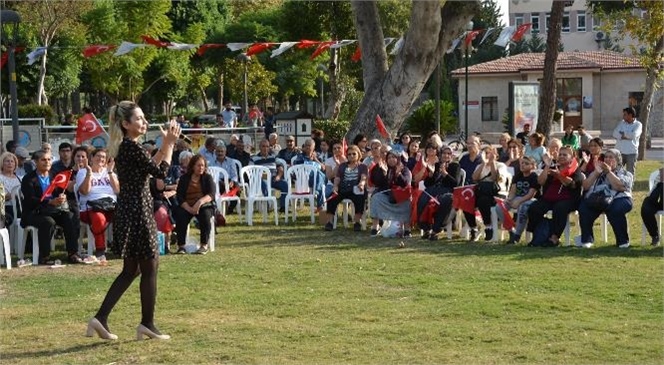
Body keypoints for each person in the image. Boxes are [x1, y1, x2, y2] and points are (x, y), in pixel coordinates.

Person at [86, 101, 180, 341]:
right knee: (149, 267)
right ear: (126, 124)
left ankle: (101, 318)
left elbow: (149, 168)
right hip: (137, 211)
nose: (144, 122)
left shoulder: (128, 147)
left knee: (132, 269)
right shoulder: (130, 147)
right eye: (138, 119)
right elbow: (161, 173)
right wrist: (169, 144)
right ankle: (147, 324)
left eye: (143, 117)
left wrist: (163, 148)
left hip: (131, 210)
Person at [20, 150, 79, 264]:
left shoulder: (54, 175)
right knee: (48, 222)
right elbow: (30, 199)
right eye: (43, 160)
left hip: (54, 210)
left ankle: (73, 253)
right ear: (35, 162)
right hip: (34, 212)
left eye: (49, 159)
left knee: (69, 217)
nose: (47, 162)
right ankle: (44, 256)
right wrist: (50, 202)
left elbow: (59, 192)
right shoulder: (28, 179)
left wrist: (62, 197)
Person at [526, 146, 584, 247]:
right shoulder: (553, 167)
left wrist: (559, 176)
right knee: (534, 208)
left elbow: (573, 184)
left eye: (565, 155)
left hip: (568, 199)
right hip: (549, 198)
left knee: (560, 208)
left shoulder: (575, 170)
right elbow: (540, 182)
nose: (561, 156)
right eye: (560, 154)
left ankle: (554, 238)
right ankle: (539, 234)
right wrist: (547, 167)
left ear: (571, 157)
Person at [577, 149, 633, 248]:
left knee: (615, 209)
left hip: (620, 198)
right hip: (599, 199)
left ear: (618, 160)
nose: (607, 159)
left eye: (611, 157)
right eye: (606, 157)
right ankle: (587, 239)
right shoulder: (598, 172)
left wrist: (608, 172)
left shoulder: (625, 173)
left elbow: (619, 187)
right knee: (584, 208)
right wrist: (595, 173)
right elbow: (585, 186)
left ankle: (623, 241)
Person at [76, 148, 120, 260]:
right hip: (91, 207)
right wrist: (89, 173)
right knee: (99, 218)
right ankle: (100, 249)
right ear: (91, 158)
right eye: (98, 156)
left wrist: (110, 172)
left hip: (110, 205)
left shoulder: (109, 172)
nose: (101, 159)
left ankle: (120, 247)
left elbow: (117, 190)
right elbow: (85, 191)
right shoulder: (83, 172)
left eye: (104, 157)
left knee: (125, 215)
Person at [174, 154, 216, 255]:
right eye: (198, 165)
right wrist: (189, 208)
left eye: (202, 165)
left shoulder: (207, 178)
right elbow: (179, 196)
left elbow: (211, 194)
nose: (201, 168)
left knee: (205, 216)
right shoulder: (184, 178)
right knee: (181, 216)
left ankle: (203, 245)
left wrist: (200, 202)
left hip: (203, 205)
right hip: (187, 205)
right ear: (193, 166)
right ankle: (181, 246)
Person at [416, 145, 459, 240]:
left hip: (447, 191)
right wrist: (430, 175)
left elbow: (456, 183)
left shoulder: (455, 166)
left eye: (448, 153)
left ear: (451, 156)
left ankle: (435, 230)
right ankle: (426, 229)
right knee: (423, 198)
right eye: (444, 153)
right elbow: (428, 184)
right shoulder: (437, 165)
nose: (446, 155)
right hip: (434, 190)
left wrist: (445, 174)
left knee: (445, 201)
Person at [323, 145, 368, 232]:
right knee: (332, 197)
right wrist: (335, 186)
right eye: (349, 154)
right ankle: (329, 222)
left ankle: (357, 222)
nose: (351, 156)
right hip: (343, 187)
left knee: (360, 198)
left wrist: (362, 184)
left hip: (356, 188)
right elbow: (337, 178)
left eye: (354, 154)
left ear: (358, 154)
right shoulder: (342, 166)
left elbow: (363, 177)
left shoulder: (362, 166)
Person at [369, 147, 412, 237]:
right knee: (375, 198)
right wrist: (381, 171)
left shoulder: (405, 169)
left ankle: (407, 229)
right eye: (389, 158)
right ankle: (375, 227)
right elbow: (378, 183)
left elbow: (405, 184)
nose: (391, 159)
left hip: (401, 196)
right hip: (389, 195)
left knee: (407, 202)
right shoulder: (385, 168)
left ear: (398, 159)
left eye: (393, 157)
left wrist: (399, 174)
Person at [467, 146, 503, 241]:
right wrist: (484, 163)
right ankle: (473, 228)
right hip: (480, 192)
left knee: (483, 200)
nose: (488, 155)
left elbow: (494, 178)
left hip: (494, 193)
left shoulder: (500, 165)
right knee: (467, 202)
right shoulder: (480, 166)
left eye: (490, 153)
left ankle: (488, 226)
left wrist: (492, 163)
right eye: (486, 153)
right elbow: (474, 178)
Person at [505, 156, 540, 244]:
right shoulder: (518, 175)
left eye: (526, 163)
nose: (523, 165)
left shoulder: (534, 176)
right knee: (499, 207)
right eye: (522, 163)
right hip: (517, 198)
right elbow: (513, 191)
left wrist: (519, 201)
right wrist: (509, 199)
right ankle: (511, 230)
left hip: (530, 199)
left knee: (523, 207)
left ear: (532, 166)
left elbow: (531, 194)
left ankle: (517, 235)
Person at [251, 139, 289, 212]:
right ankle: (268, 205)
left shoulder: (273, 157)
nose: (265, 148)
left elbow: (280, 168)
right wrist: (259, 176)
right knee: (264, 183)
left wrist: (278, 176)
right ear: (259, 147)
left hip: (273, 179)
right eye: (263, 146)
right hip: (261, 180)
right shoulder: (254, 158)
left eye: (267, 146)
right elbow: (250, 170)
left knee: (285, 184)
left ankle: (283, 207)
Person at [292, 139, 327, 211]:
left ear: (313, 147)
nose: (307, 147)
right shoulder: (300, 156)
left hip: (315, 180)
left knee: (318, 175)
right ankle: (319, 202)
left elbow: (323, 168)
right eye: (306, 145)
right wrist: (310, 161)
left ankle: (318, 196)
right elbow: (298, 168)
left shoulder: (318, 156)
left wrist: (315, 159)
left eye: (309, 145)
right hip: (304, 180)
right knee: (319, 175)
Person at [612, 106, 642, 175]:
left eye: (625, 114)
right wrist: (626, 136)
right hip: (619, 151)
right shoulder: (621, 123)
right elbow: (614, 133)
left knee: (630, 172)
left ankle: (629, 186)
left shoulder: (638, 124)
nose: (623, 116)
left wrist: (623, 134)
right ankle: (618, 185)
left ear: (630, 115)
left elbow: (634, 135)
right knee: (616, 171)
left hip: (631, 152)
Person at [641, 168, 664, 246]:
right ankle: (655, 236)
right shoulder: (661, 172)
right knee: (646, 208)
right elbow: (654, 192)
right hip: (657, 197)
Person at [0, 152, 22, 227]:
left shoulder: (19, 178)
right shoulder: (0, 178)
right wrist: (12, 195)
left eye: (12, 161)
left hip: (18, 207)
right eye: (7, 161)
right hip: (5, 208)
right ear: (2, 164)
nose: (10, 163)